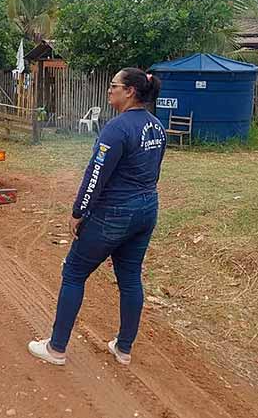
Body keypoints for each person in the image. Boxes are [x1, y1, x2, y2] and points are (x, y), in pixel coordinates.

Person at [28, 67, 166, 366]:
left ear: (130, 91)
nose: (109, 90)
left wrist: (79, 211)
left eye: (114, 85)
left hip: (114, 213)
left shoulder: (116, 128)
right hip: (146, 210)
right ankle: (124, 348)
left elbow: (96, 175)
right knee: (130, 278)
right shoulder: (157, 126)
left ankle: (56, 348)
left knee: (74, 272)